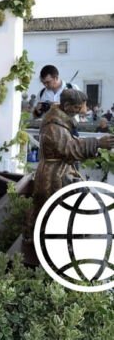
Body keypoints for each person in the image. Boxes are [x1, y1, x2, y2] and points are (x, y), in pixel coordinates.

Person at [23, 89, 114, 264]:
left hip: (60, 171)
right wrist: (97, 143)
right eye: (78, 107)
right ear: (67, 106)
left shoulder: (60, 120)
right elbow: (68, 148)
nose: (82, 111)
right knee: (51, 209)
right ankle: (46, 246)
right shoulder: (54, 125)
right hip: (52, 175)